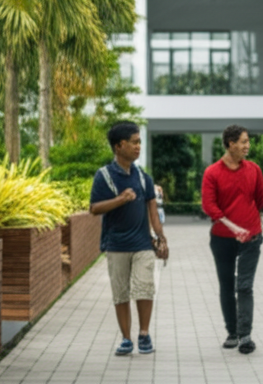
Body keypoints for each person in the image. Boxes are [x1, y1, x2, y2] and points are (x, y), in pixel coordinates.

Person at [89, 121, 168, 356]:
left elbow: (153, 212)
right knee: (121, 293)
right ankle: (126, 339)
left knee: (145, 288)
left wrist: (161, 239)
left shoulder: (144, 178)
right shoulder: (104, 176)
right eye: (134, 142)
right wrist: (120, 200)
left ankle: (144, 334)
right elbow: (94, 208)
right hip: (116, 245)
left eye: (139, 142)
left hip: (143, 244)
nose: (138, 147)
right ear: (119, 146)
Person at [201, 124, 263, 354]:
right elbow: (209, 206)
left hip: (251, 237)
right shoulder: (212, 172)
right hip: (222, 239)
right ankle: (232, 332)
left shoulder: (254, 170)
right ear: (231, 144)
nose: (248, 145)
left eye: (248, 141)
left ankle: (245, 336)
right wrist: (233, 226)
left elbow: (260, 200)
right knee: (227, 285)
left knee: (245, 286)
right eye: (243, 141)